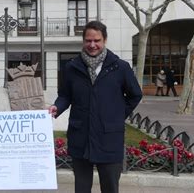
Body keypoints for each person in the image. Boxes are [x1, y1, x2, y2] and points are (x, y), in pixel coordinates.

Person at [48, 21, 142, 193]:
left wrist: (117, 115)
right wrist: (57, 107)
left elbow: (135, 95)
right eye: (88, 40)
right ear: (83, 41)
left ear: (104, 40)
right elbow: (65, 95)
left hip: (109, 138)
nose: (92, 45)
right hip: (80, 137)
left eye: (97, 40)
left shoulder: (120, 67)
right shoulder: (71, 67)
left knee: (110, 188)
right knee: (82, 188)